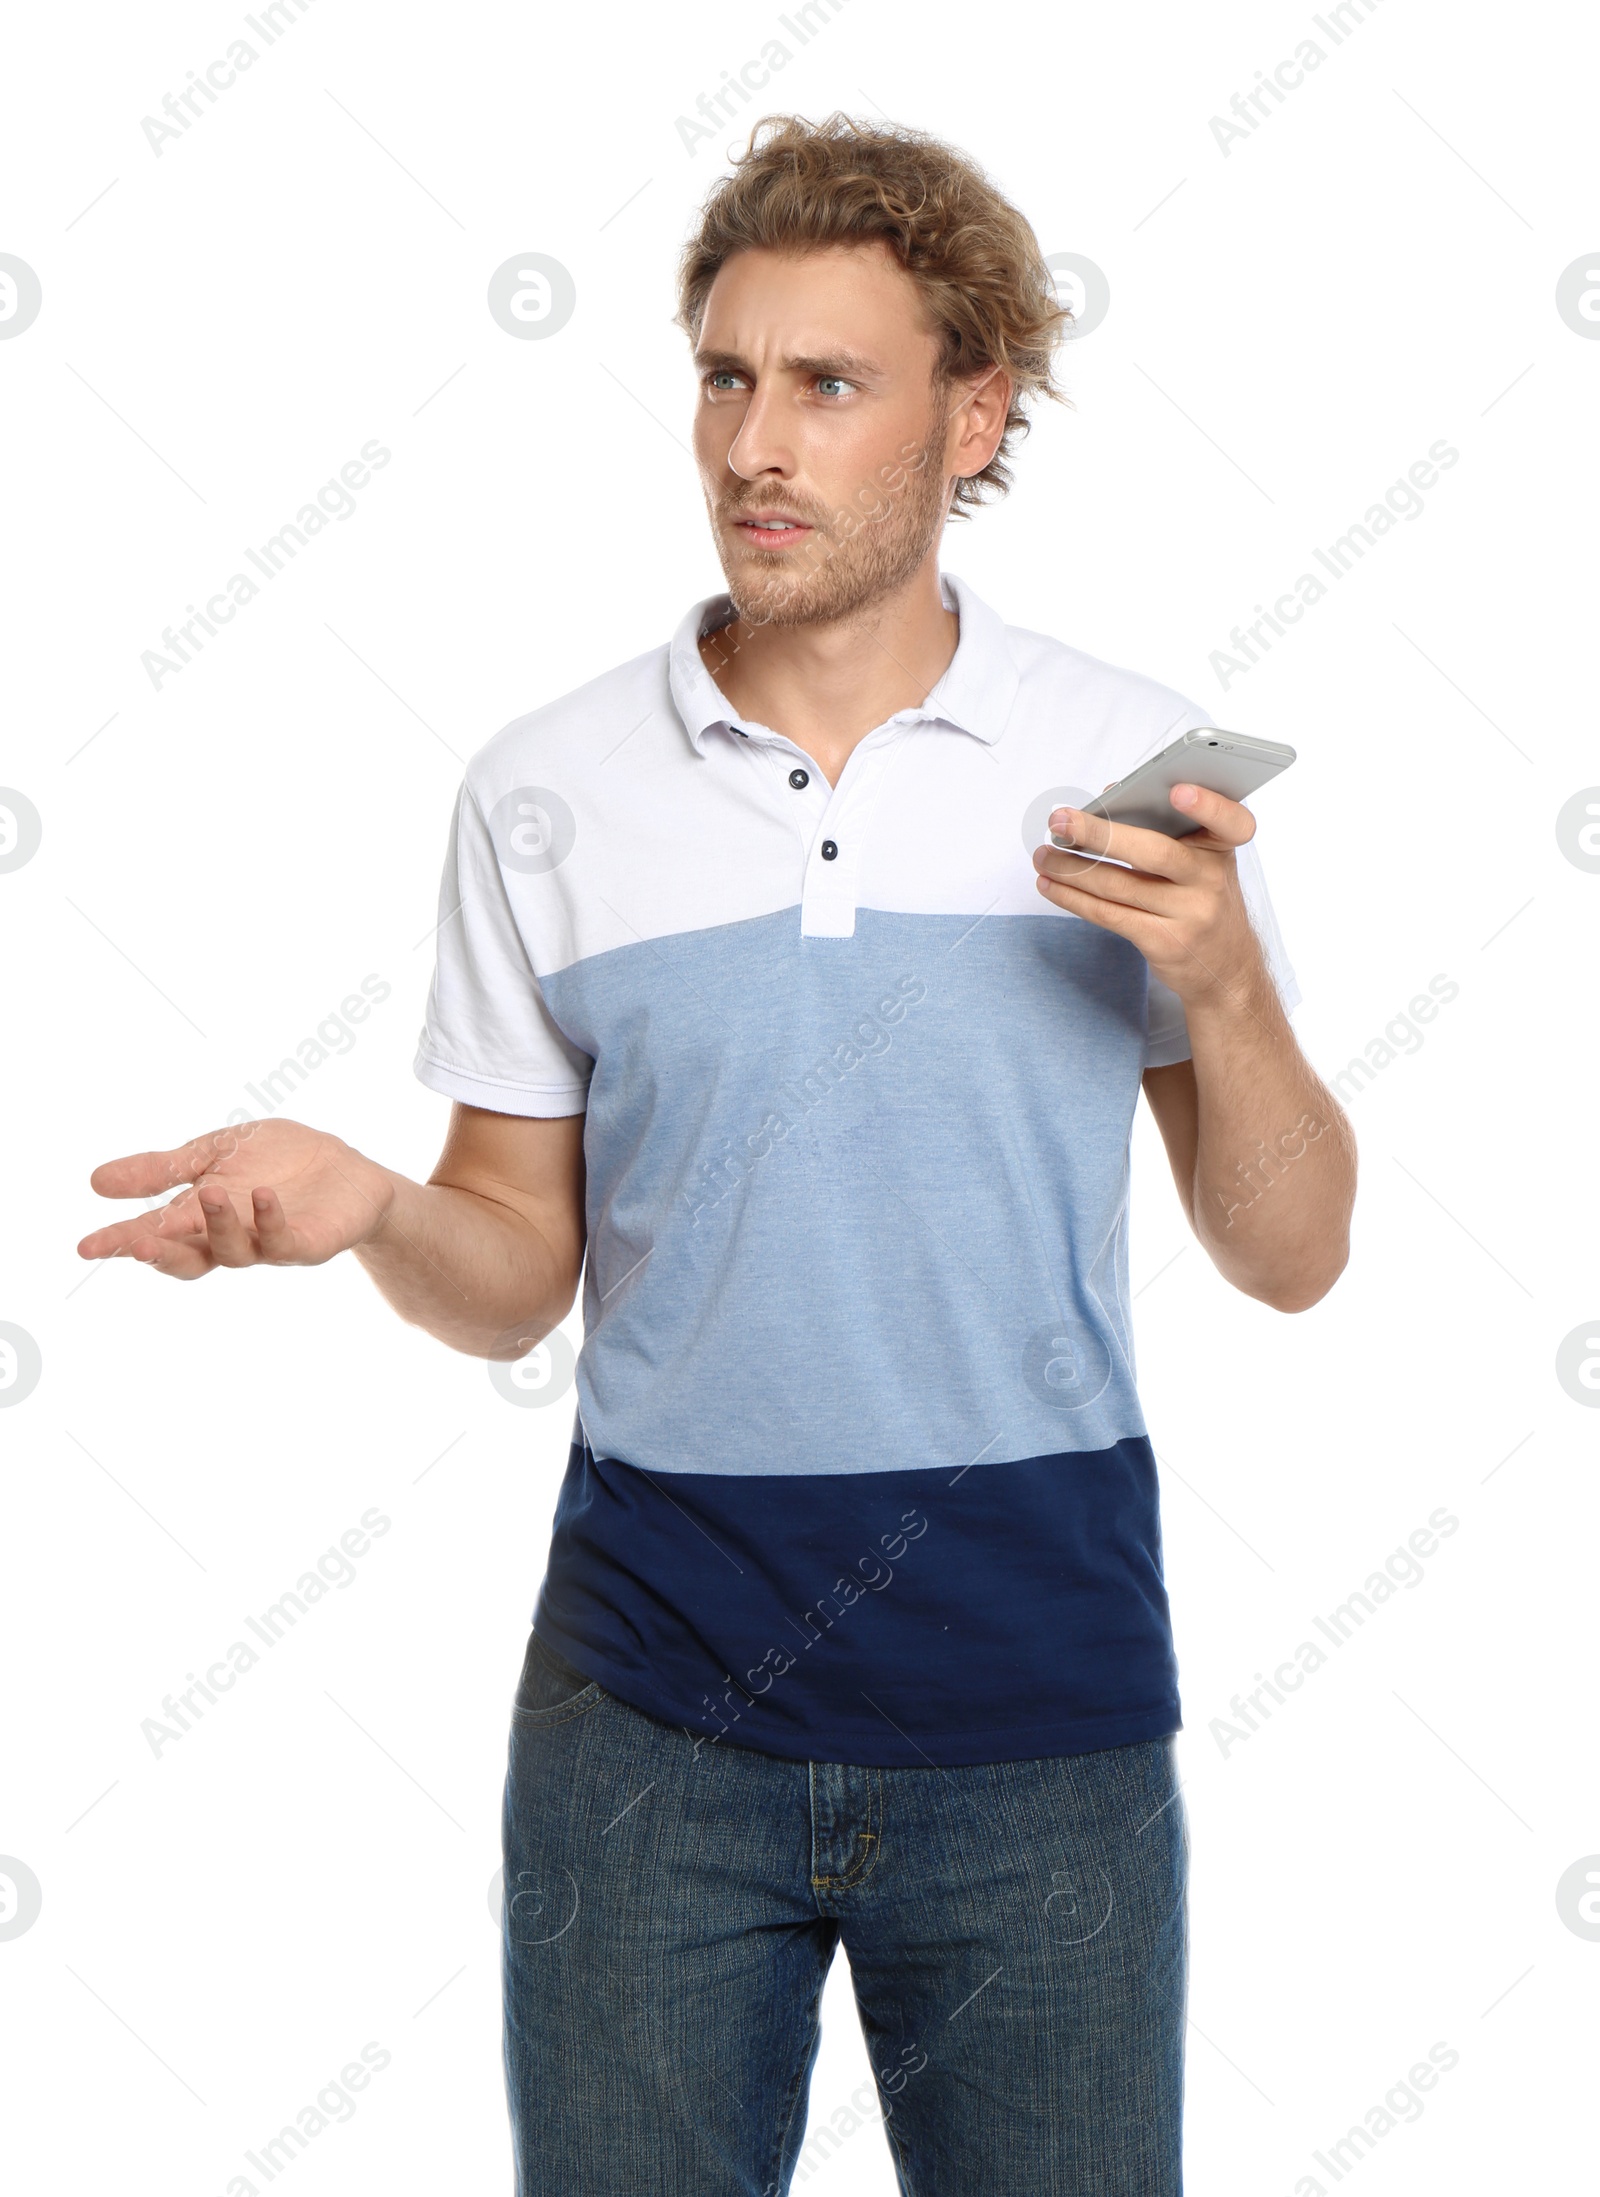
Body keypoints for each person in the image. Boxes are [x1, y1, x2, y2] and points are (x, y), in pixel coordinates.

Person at [79, 110, 1356, 2197]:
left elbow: (1291, 1254)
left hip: (1038, 1716)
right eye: (724, 375)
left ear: (971, 415)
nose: (755, 441)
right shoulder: (545, 787)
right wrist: (383, 1209)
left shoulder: (1116, 773)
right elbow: (511, 1253)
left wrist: (1222, 989)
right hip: (642, 1734)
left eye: (827, 385)